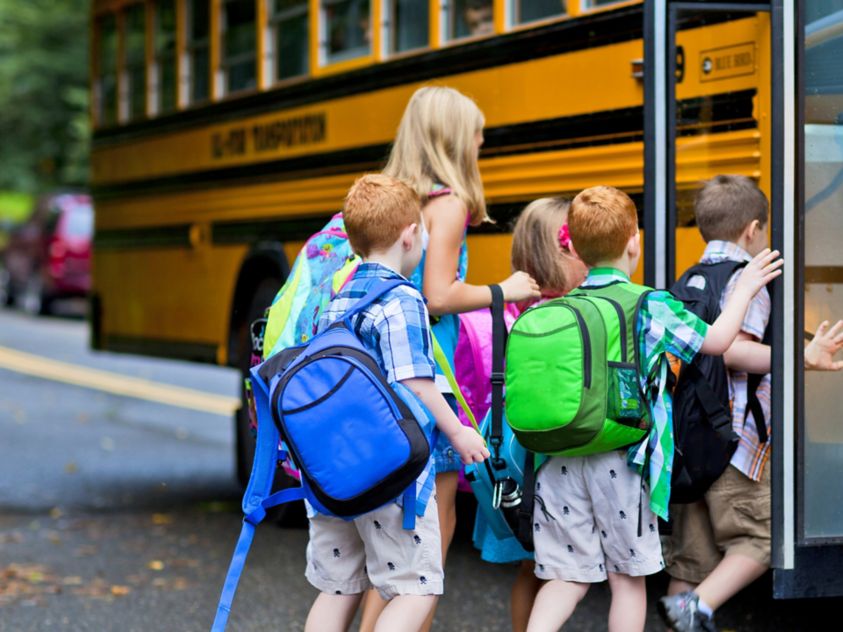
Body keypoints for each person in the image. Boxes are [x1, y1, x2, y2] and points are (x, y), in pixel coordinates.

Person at [523, 185, 783, 632]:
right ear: (634, 242)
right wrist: (746, 288)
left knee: (565, 579)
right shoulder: (649, 304)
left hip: (559, 460)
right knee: (627, 581)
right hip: (622, 461)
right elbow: (719, 343)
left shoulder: (560, 305)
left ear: (577, 251)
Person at [357, 86, 540, 632]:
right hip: (427, 369)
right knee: (431, 532)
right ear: (455, 140)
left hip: (381, 373)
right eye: (478, 133)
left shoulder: (395, 199)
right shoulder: (449, 204)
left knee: (390, 539)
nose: (483, 141)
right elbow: (439, 293)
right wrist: (503, 289)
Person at [303, 174, 489, 632]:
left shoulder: (335, 298)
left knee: (337, 586)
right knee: (416, 587)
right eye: (423, 230)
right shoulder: (402, 299)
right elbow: (417, 383)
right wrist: (460, 431)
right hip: (391, 471)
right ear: (410, 235)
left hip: (337, 469)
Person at [658, 175, 843, 632]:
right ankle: (695, 607)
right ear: (752, 229)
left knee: (690, 557)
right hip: (735, 443)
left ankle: (685, 606)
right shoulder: (747, 277)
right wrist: (803, 356)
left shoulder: (688, 279)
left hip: (689, 439)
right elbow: (735, 348)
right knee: (765, 536)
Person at [471, 197, 588, 632]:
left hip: (517, 447)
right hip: (544, 454)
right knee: (554, 567)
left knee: (531, 565)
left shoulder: (522, 310)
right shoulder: (559, 316)